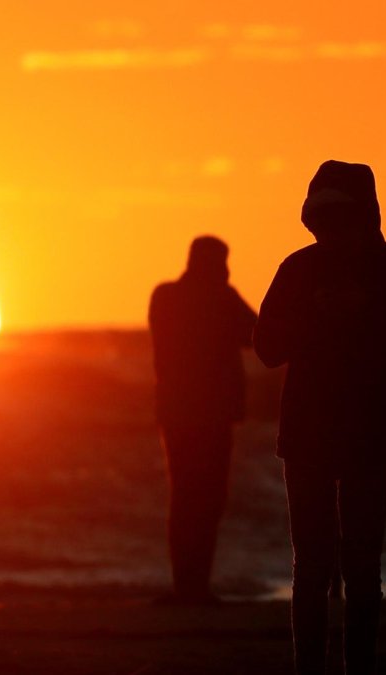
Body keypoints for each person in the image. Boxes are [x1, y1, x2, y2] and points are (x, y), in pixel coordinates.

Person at [254, 160, 386, 675]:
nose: (330, 233)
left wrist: (365, 314)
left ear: (367, 215)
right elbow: (265, 348)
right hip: (307, 433)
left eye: (341, 219)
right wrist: (316, 315)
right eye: (321, 222)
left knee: (361, 567)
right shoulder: (298, 268)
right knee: (311, 567)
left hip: (371, 435)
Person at [148, 235, 257, 605]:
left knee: (190, 499)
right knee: (203, 499)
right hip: (205, 415)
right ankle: (191, 587)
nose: (226, 271)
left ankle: (190, 586)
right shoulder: (215, 299)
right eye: (222, 263)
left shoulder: (166, 297)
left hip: (182, 413)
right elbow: (258, 336)